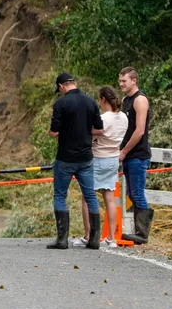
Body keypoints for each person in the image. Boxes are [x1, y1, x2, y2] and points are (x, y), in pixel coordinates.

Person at [47, 72, 103, 250]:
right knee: (90, 195)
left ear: (62, 86)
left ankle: (62, 240)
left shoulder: (61, 103)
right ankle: (94, 240)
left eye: (60, 89)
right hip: (86, 157)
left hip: (65, 158)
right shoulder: (90, 101)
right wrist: (84, 131)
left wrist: (64, 131)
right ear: (74, 83)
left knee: (60, 195)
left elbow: (54, 132)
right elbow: (99, 129)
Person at [118, 67, 153, 245]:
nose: (121, 84)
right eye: (120, 81)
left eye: (124, 81)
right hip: (127, 153)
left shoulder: (140, 100)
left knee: (137, 193)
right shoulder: (125, 100)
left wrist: (124, 151)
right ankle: (139, 228)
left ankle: (142, 233)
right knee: (131, 193)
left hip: (138, 154)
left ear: (134, 80)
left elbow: (139, 131)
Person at [90, 86, 128, 247]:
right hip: (113, 158)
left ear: (103, 100)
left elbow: (93, 134)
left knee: (88, 197)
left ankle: (90, 234)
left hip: (98, 157)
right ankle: (111, 237)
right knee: (110, 198)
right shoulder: (124, 118)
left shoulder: (104, 118)